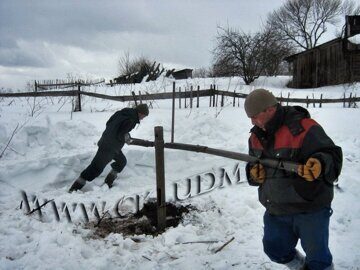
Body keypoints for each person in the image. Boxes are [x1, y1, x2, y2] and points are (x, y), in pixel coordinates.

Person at [244, 89, 342, 270]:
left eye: (255, 116)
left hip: (310, 207)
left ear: (270, 110)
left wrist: (320, 163)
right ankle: (300, 267)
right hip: (276, 207)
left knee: (318, 260)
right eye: (250, 118)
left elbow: (332, 156)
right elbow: (253, 163)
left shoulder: (304, 127)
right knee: (274, 249)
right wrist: (253, 173)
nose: (252, 122)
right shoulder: (255, 136)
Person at [69, 103, 149, 192]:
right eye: (144, 116)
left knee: (121, 161)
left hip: (107, 142)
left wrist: (121, 134)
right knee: (96, 168)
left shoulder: (122, 113)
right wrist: (126, 138)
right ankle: (74, 188)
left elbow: (109, 123)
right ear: (140, 113)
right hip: (109, 147)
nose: (143, 118)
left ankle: (108, 183)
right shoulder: (131, 120)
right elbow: (120, 135)